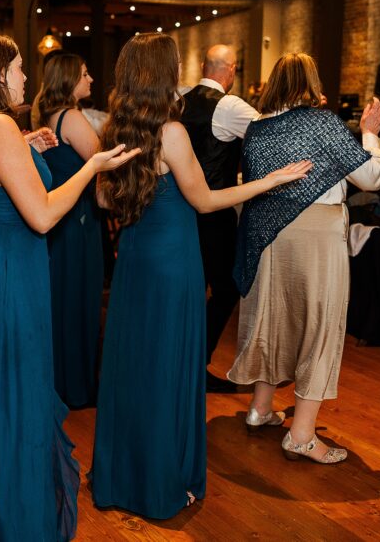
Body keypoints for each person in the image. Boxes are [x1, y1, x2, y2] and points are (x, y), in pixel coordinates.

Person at [92, 33, 310, 519]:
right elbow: (206, 200)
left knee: (133, 367)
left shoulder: (116, 130)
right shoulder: (170, 133)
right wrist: (271, 180)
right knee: (169, 367)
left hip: (134, 261)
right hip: (172, 263)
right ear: (161, 75)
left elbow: (106, 200)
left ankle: (122, 475)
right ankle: (163, 481)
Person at [0, 33, 138, 541]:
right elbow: (44, 215)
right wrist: (91, 166)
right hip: (8, 272)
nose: (27, 77)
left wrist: (22, 149)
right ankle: (11, 521)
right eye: (20, 68)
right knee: (13, 397)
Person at [228, 52, 380, 464]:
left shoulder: (258, 129)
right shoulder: (322, 123)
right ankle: (300, 435)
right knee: (320, 324)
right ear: (311, 81)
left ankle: (260, 409)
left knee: (273, 318)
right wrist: (371, 136)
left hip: (268, 232)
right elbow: (372, 177)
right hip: (316, 234)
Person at [178, 44, 259, 393]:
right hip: (213, 211)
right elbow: (271, 135)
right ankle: (197, 363)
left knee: (191, 290)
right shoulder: (230, 106)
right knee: (227, 288)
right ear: (232, 70)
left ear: (202, 66)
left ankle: (182, 362)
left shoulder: (180, 100)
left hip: (178, 211)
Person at [30, 52, 103, 408]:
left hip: (58, 220)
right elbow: (103, 167)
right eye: (85, 73)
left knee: (61, 302)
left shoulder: (45, 114)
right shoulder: (71, 117)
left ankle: (59, 381)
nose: (90, 80)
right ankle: (77, 386)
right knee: (79, 301)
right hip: (78, 219)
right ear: (69, 78)